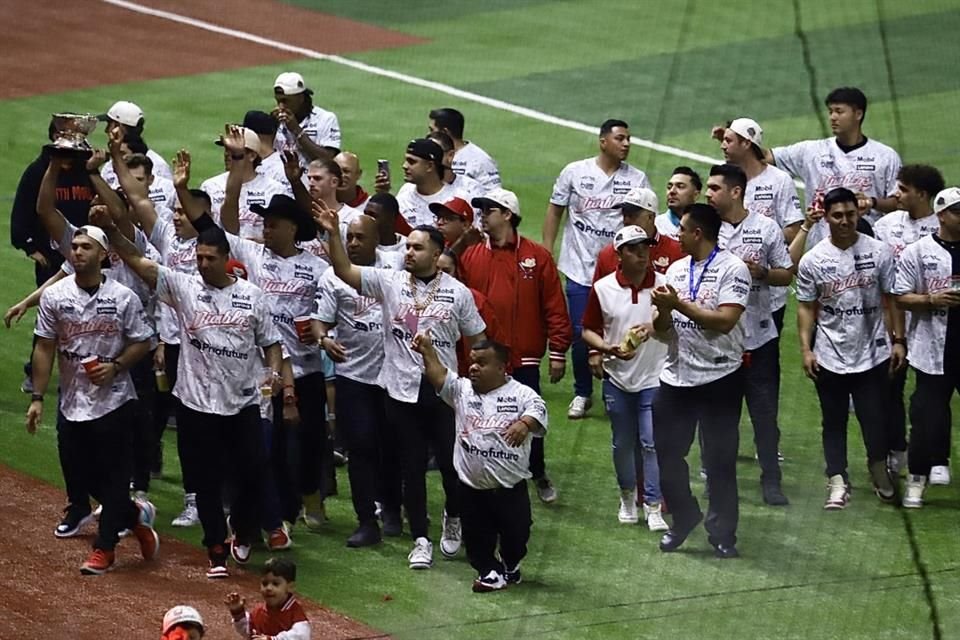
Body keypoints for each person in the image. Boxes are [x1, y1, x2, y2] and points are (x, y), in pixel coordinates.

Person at [99, 213, 283, 579]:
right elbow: (137, 261)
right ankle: (216, 546)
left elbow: (271, 343)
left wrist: (274, 374)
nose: (201, 264)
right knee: (206, 480)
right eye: (198, 257)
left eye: (209, 258)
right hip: (196, 403)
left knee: (252, 472)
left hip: (242, 402)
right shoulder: (184, 288)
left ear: (227, 258)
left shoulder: (253, 297)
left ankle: (243, 529)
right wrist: (111, 231)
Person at [313, 201, 486, 570]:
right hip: (401, 391)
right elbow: (343, 270)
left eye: (417, 247)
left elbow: (480, 340)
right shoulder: (389, 282)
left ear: (437, 253)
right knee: (411, 467)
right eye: (407, 247)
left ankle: (454, 518)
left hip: (444, 391)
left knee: (452, 465)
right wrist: (332, 233)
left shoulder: (457, 293)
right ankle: (421, 538)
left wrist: (479, 384)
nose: (409, 252)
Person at [27, 222, 159, 575]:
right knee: (82, 479)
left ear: (104, 255)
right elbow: (44, 346)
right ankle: (134, 518)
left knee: (115, 477)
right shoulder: (55, 297)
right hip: (72, 402)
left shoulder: (123, 298)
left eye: (87, 247)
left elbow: (142, 341)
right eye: (76, 246)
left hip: (115, 400)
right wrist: (38, 397)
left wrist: (115, 366)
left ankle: (105, 548)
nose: (78, 252)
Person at [219, 133, 331, 537]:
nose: (265, 227)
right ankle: (278, 513)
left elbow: (329, 310)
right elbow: (228, 223)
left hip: (307, 370)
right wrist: (235, 167)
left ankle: (307, 494)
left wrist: (319, 328)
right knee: (270, 448)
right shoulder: (252, 253)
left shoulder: (315, 266)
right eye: (264, 222)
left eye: (274, 223)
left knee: (308, 444)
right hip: (264, 374)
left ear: (292, 228)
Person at [457, 188, 571, 503]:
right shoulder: (471, 255)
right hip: (481, 357)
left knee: (527, 420)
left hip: (524, 356)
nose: (482, 215)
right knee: (482, 421)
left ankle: (536, 471)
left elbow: (553, 305)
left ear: (507, 214)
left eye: (489, 210)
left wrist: (558, 352)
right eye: (481, 210)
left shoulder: (538, 256)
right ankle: (486, 477)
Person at [795, 188, 905, 510]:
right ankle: (837, 480)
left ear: (859, 214)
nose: (845, 221)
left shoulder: (880, 252)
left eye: (850, 214)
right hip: (829, 354)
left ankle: (877, 469)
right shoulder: (813, 260)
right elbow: (805, 307)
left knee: (875, 419)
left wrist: (898, 340)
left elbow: (891, 299)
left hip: (873, 354)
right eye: (838, 216)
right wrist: (806, 349)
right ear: (826, 217)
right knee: (833, 420)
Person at [650, 203, 749, 559]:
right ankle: (685, 515)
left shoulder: (733, 269)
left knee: (720, 460)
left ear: (698, 233)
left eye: (682, 230)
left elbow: (724, 321)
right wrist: (662, 311)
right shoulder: (675, 271)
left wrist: (677, 305)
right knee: (666, 455)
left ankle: (723, 534)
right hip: (676, 377)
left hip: (720, 377)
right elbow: (662, 331)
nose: (677, 236)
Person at [413, 334, 546, 593]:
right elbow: (439, 375)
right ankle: (489, 571)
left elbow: (538, 409)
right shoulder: (461, 390)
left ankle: (510, 564)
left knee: (516, 538)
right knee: (476, 540)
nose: (473, 367)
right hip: (471, 488)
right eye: (472, 362)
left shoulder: (521, 394)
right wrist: (427, 350)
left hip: (510, 488)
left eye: (481, 363)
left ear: (501, 367)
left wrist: (524, 423)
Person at [543, 119, 651, 419]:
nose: (626, 144)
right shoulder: (574, 172)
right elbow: (555, 210)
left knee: (619, 331)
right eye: (620, 138)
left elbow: (644, 220)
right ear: (603, 141)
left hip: (618, 270)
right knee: (582, 331)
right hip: (578, 267)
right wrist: (548, 249)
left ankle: (614, 389)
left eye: (629, 139)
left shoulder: (637, 179)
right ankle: (582, 392)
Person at [707, 164, 794, 505]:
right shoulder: (706, 229)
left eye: (714, 188)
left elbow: (787, 275)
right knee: (719, 418)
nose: (708, 194)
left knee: (764, 414)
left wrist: (765, 273)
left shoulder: (766, 228)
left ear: (735, 191)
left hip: (760, 339)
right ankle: (718, 481)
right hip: (719, 340)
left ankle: (771, 480)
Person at [315, 215, 404, 547]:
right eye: (348, 237)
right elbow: (319, 322)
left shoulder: (394, 270)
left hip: (393, 375)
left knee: (392, 447)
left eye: (358, 238)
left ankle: (393, 508)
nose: (352, 243)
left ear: (375, 240)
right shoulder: (332, 278)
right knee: (362, 448)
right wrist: (325, 340)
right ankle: (367, 521)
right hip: (353, 376)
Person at [581, 225, 668, 531]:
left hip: (654, 378)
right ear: (619, 254)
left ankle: (653, 505)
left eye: (645, 247)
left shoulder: (664, 286)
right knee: (622, 444)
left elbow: (675, 325)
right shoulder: (603, 288)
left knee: (651, 442)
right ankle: (627, 496)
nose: (642, 253)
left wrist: (652, 328)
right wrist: (607, 349)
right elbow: (588, 328)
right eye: (633, 248)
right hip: (617, 379)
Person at [10, 119, 94, 393]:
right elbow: (23, 211)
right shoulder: (38, 171)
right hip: (52, 257)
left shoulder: (85, 171)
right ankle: (34, 373)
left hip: (87, 252)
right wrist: (30, 246)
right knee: (49, 313)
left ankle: (84, 368)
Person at [874, 165, 946, 480]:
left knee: (933, 395)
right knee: (889, 389)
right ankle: (896, 450)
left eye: (902, 189)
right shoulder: (886, 225)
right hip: (891, 319)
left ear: (922, 194)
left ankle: (935, 457)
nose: (895, 194)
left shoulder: (945, 225)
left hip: (933, 325)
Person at [893, 187, 960, 508]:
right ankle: (916, 481)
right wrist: (931, 299)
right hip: (933, 350)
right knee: (925, 420)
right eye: (958, 211)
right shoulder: (917, 252)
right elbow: (900, 297)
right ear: (942, 215)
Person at [760, 87, 901, 228]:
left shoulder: (885, 156)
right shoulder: (810, 151)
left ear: (858, 114)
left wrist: (872, 202)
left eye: (839, 111)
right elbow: (767, 156)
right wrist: (744, 139)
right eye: (830, 111)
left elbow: (898, 202)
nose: (832, 117)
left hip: (869, 244)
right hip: (822, 246)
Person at [713, 118, 803, 332]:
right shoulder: (722, 178)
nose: (722, 145)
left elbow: (794, 229)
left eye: (728, 140)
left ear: (746, 143)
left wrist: (758, 242)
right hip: (726, 287)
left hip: (768, 290)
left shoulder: (779, 180)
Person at [210, 125, 290, 242]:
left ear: (252, 155)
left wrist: (259, 243)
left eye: (234, 150)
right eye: (226, 149)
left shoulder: (275, 190)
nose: (227, 154)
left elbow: (285, 232)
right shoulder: (211, 186)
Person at [593, 186, 685, 280]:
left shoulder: (677, 252)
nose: (626, 220)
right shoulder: (608, 254)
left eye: (633, 215)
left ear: (650, 217)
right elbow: (597, 293)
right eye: (624, 214)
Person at [227, 557, 310, 639]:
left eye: (275, 584)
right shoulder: (258, 612)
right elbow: (249, 633)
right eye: (265, 583)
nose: (268, 588)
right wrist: (238, 613)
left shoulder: (295, 614)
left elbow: (301, 636)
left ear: (290, 587)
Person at [273, 71, 341, 164]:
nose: (281, 107)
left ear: (301, 98)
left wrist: (297, 131)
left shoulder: (326, 119)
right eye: (278, 101)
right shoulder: (276, 121)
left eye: (285, 101)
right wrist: (271, 127)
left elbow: (329, 160)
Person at [98, 100, 173, 183]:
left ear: (118, 127)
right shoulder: (109, 167)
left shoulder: (158, 166)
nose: (106, 130)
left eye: (109, 124)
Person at [395, 138, 464, 228]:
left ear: (430, 166)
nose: (404, 166)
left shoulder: (458, 199)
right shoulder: (402, 197)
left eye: (412, 162)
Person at [428, 107, 501, 190]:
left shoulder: (480, 160)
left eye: (431, 130)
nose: (428, 134)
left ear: (445, 132)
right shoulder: (429, 155)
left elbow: (494, 195)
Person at [655, 167, 702, 241]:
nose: (672, 191)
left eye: (680, 187)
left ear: (696, 195)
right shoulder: (655, 227)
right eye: (669, 187)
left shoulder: (703, 229)